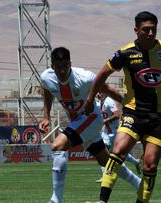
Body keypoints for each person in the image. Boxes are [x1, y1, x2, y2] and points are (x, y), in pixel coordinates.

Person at [83, 11, 161, 203]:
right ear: (136, 30)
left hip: (159, 117)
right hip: (133, 112)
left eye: (153, 29)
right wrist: (90, 98)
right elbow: (102, 73)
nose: (150, 33)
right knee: (118, 150)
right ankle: (102, 200)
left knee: (150, 165)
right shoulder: (125, 53)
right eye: (146, 30)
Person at [39, 47, 141, 203]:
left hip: (91, 118)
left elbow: (108, 89)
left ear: (70, 64)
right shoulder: (46, 78)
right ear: (52, 66)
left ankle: (56, 199)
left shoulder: (84, 78)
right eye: (58, 67)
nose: (62, 70)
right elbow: (47, 91)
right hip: (78, 122)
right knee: (106, 161)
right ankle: (139, 184)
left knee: (58, 145)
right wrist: (46, 116)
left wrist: (130, 106)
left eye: (65, 66)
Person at [95, 92, 142, 183]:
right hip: (106, 132)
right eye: (98, 92)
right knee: (103, 151)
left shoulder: (109, 101)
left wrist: (105, 121)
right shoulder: (101, 102)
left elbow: (117, 115)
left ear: (104, 93)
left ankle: (106, 175)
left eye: (101, 92)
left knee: (110, 152)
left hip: (114, 132)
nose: (99, 94)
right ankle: (136, 162)